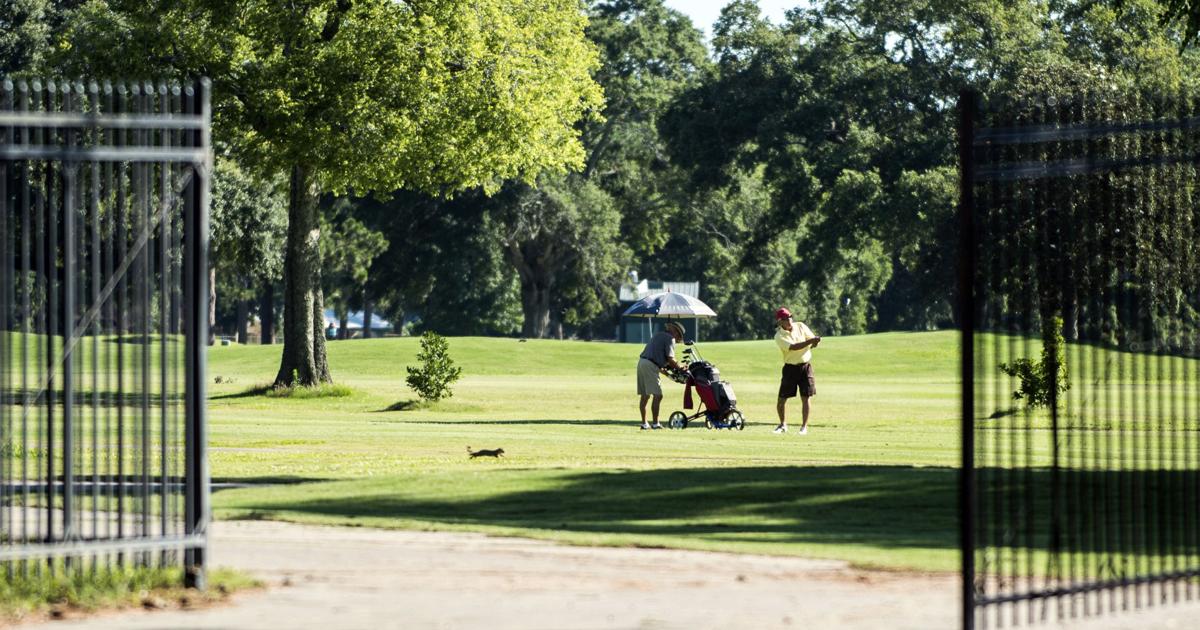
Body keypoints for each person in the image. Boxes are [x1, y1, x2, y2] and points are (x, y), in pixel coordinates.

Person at [773, 307, 820, 435]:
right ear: (779, 322)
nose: (789, 320)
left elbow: (812, 343)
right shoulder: (779, 336)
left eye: (789, 317)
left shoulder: (800, 326)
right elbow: (793, 347)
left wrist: (815, 341)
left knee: (806, 398)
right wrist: (811, 341)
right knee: (781, 399)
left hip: (805, 367)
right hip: (790, 369)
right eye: (785, 319)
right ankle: (783, 425)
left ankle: (804, 427)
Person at [636, 321, 685, 430]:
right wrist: (681, 367)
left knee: (645, 396)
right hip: (650, 365)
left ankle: (644, 424)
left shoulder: (658, 335)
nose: (677, 337)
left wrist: (667, 373)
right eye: (678, 334)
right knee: (658, 395)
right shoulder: (669, 338)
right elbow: (671, 359)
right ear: (674, 331)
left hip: (642, 363)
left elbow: (660, 362)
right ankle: (655, 423)